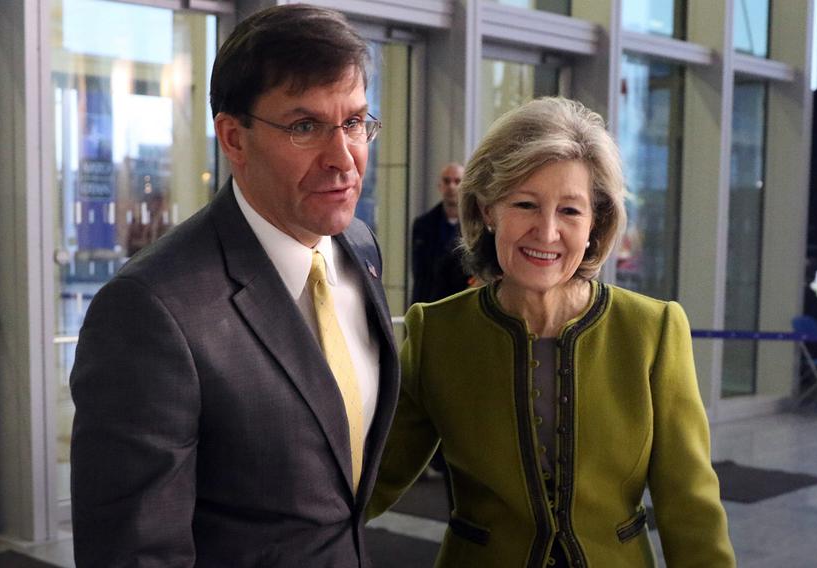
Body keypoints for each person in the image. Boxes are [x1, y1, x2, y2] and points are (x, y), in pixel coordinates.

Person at [69, 5, 399, 567]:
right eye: (305, 127)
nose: (344, 158)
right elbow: (133, 553)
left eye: (354, 122)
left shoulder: (358, 248)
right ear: (232, 137)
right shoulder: (152, 310)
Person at [367, 97, 734, 566]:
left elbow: (690, 505)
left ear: (595, 224)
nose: (546, 232)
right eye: (525, 203)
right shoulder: (438, 332)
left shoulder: (651, 331)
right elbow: (374, 481)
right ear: (487, 210)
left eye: (570, 211)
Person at [411, 162, 472, 304]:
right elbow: (419, 274)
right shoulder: (422, 225)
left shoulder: (476, 225)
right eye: (447, 181)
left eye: (457, 181)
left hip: (461, 305)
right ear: (440, 186)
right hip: (428, 304)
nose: (451, 186)